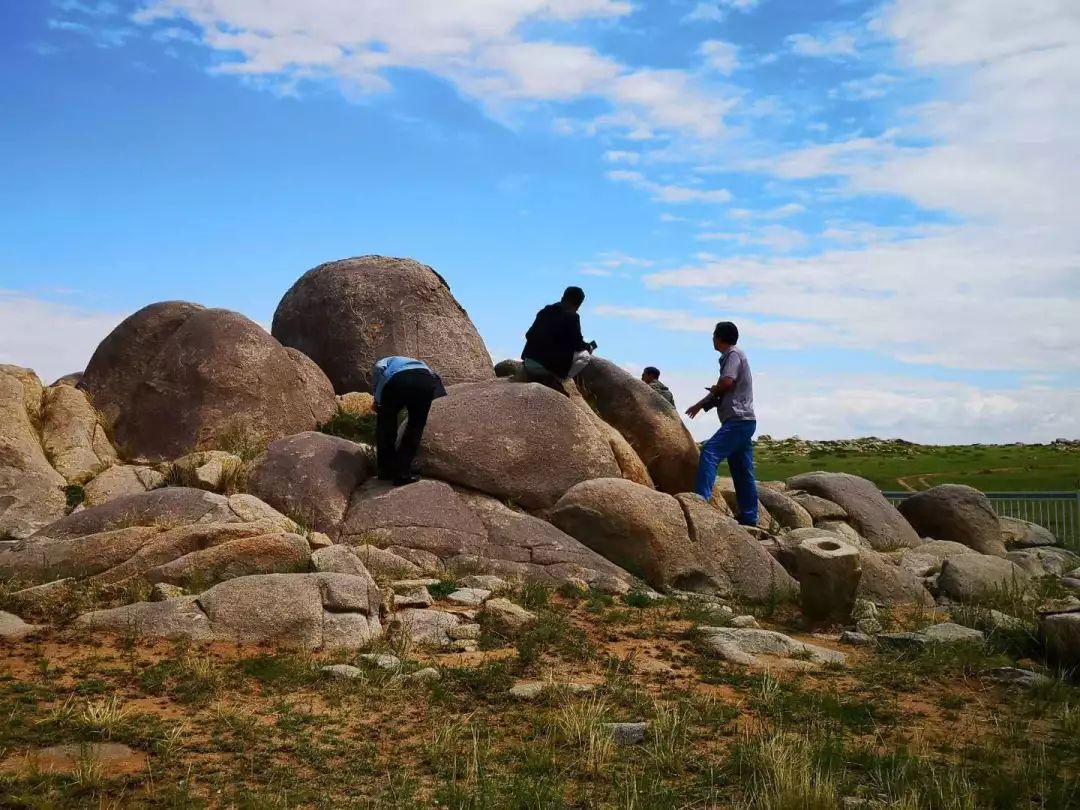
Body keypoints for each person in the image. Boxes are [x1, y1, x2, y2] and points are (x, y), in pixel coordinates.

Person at [685, 322, 758, 526]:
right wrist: (700, 405)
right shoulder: (733, 355)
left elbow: (727, 382)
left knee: (710, 453)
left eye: (714, 335)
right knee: (742, 471)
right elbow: (724, 387)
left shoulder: (733, 354)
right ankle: (749, 517)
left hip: (738, 420)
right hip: (744, 421)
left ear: (719, 337)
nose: (712, 339)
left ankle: (700, 502)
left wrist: (713, 391)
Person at [371, 356, 446, 487]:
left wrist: (377, 401)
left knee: (386, 425)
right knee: (415, 427)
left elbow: (379, 370)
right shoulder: (420, 363)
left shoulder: (385, 361)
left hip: (397, 380)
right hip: (425, 381)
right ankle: (403, 473)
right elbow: (435, 378)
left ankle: (386, 470)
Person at [521, 286, 595, 388]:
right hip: (546, 368)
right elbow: (577, 344)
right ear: (579, 305)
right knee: (585, 355)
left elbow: (528, 334)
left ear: (562, 297)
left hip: (529, 361)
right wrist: (589, 347)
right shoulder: (572, 317)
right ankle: (556, 379)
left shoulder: (545, 311)